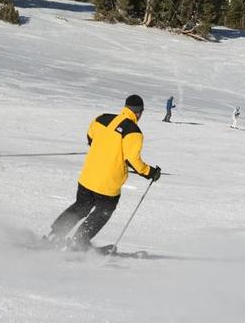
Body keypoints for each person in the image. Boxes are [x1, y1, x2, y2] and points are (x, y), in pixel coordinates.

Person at [47, 95, 161, 251]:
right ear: (139, 112)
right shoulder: (133, 132)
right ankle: (79, 241)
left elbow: (90, 137)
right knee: (103, 211)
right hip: (108, 184)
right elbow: (132, 160)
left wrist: (103, 147)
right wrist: (151, 172)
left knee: (81, 206)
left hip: (88, 176)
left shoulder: (102, 118)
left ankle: (55, 235)